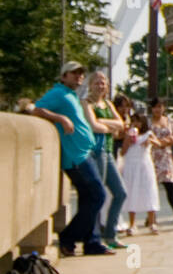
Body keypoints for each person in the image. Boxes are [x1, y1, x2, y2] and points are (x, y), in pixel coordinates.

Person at [27, 62, 112, 257]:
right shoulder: (58, 93)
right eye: (74, 73)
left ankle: (91, 242)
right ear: (64, 76)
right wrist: (61, 119)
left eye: (81, 73)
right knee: (98, 195)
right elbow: (36, 110)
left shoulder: (71, 95)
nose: (79, 76)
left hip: (84, 152)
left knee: (87, 199)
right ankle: (68, 237)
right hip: (76, 157)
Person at [83, 72, 127, 250]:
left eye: (103, 83)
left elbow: (121, 124)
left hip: (108, 152)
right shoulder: (86, 103)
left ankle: (110, 233)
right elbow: (93, 126)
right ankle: (93, 237)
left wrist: (103, 122)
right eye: (97, 83)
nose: (100, 86)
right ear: (90, 85)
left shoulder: (107, 104)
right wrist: (110, 126)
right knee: (97, 195)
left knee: (120, 193)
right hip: (95, 152)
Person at [120, 112, 160, 235]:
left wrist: (150, 141)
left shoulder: (148, 134)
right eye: (134, 121)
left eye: (138, 121)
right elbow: (122, 152)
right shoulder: (129, 134)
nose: (136, 124)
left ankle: (152, 222)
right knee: (132, 191)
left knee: (148, 191)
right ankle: (132, 224)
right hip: (131, 165)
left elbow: (158, 144)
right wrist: (128, 141)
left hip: (144, 164)